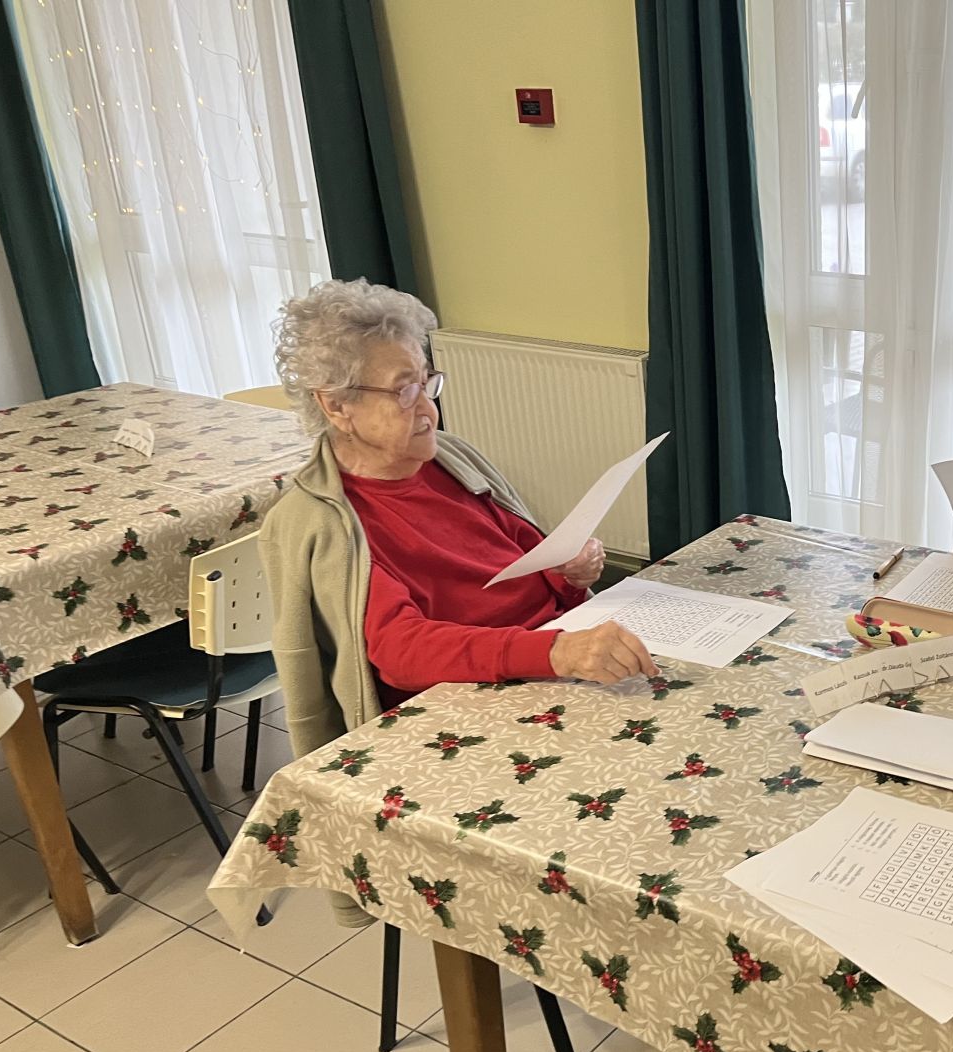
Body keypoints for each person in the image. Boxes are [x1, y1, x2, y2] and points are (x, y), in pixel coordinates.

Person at [263, 278, 657, 925]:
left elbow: (529, 562)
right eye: (403, 390)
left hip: (547, 674)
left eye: (427, 382)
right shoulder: (330, 522)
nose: (428, 409)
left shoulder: (448, 459)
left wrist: (569, 574)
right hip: (466, 720)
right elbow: (400, 651)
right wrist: (556, 652)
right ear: (336, 405)